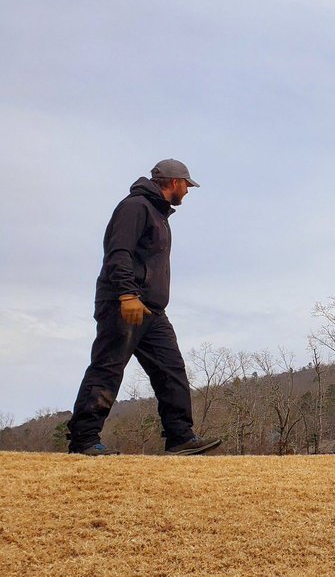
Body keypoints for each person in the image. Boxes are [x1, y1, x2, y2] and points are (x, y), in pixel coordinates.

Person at [66, 159, 222, 456]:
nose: (188, 192)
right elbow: (118, 252)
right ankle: (83, 440)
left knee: (171, 368)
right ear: (174, 182)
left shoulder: (159, 215)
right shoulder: (135, 207)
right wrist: (126, 294)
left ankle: (179, 437)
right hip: (124, 303)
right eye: (186, 186)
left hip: (152, 309)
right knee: (108, 367)